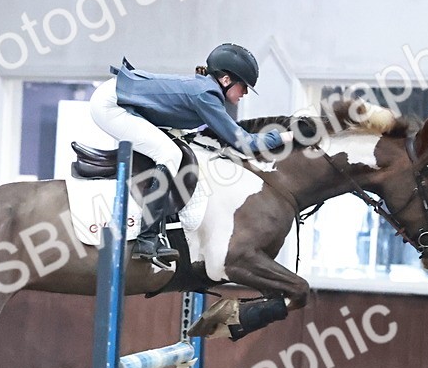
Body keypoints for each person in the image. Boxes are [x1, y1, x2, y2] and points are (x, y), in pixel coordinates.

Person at [89, 44, 287, 262]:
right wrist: (284, 137)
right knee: (169, 154)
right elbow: (244, 142)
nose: (245, 92)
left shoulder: (206, 90)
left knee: (176, 150)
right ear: (226, 80)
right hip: (111, 105)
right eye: (244, 85)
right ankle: (147, 238)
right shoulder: (206, 95)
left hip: (120, 97)